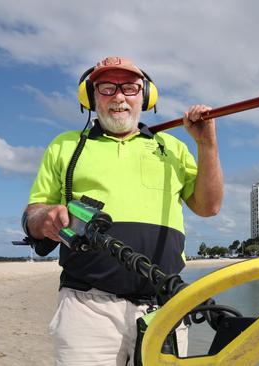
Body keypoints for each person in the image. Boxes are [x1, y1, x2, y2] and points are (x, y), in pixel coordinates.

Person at [21, 56, 223, 365]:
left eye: (129, 87)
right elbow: (34, 213)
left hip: (163, 305)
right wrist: (43, 220)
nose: (119, 97)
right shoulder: (64, 145)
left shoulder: (172, 148)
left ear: (145, 96)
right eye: (106, 87)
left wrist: (207, 145)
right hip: (87, 305)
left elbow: (209, 207)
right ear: (91, 97)